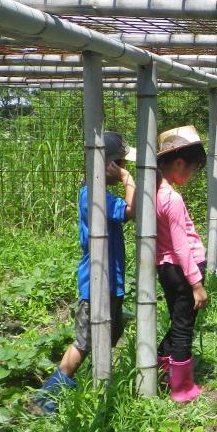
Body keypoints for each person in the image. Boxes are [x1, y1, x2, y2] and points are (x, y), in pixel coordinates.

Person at [35, 132, 135, 414]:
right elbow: (131, 211)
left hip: (109, 280)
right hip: (97, 281)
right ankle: (47, 396)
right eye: (121, 164)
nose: (124, 169)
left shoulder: (98, 192)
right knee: (84, 342)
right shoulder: (94, 195)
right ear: (108, 165)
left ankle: (84, 385)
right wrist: (129, 181)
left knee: (111, 332)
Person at [154, 126, 209, 403]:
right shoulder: (172, 199)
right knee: (184, 326)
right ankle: (182, 388)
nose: (192, 175)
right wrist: (196, 284)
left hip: (166, 269)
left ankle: (162, 370)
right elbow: (180, 245)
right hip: (183, 269)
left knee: (177, 321)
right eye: (193, 168)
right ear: (178, 163)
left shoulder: (153, 193)